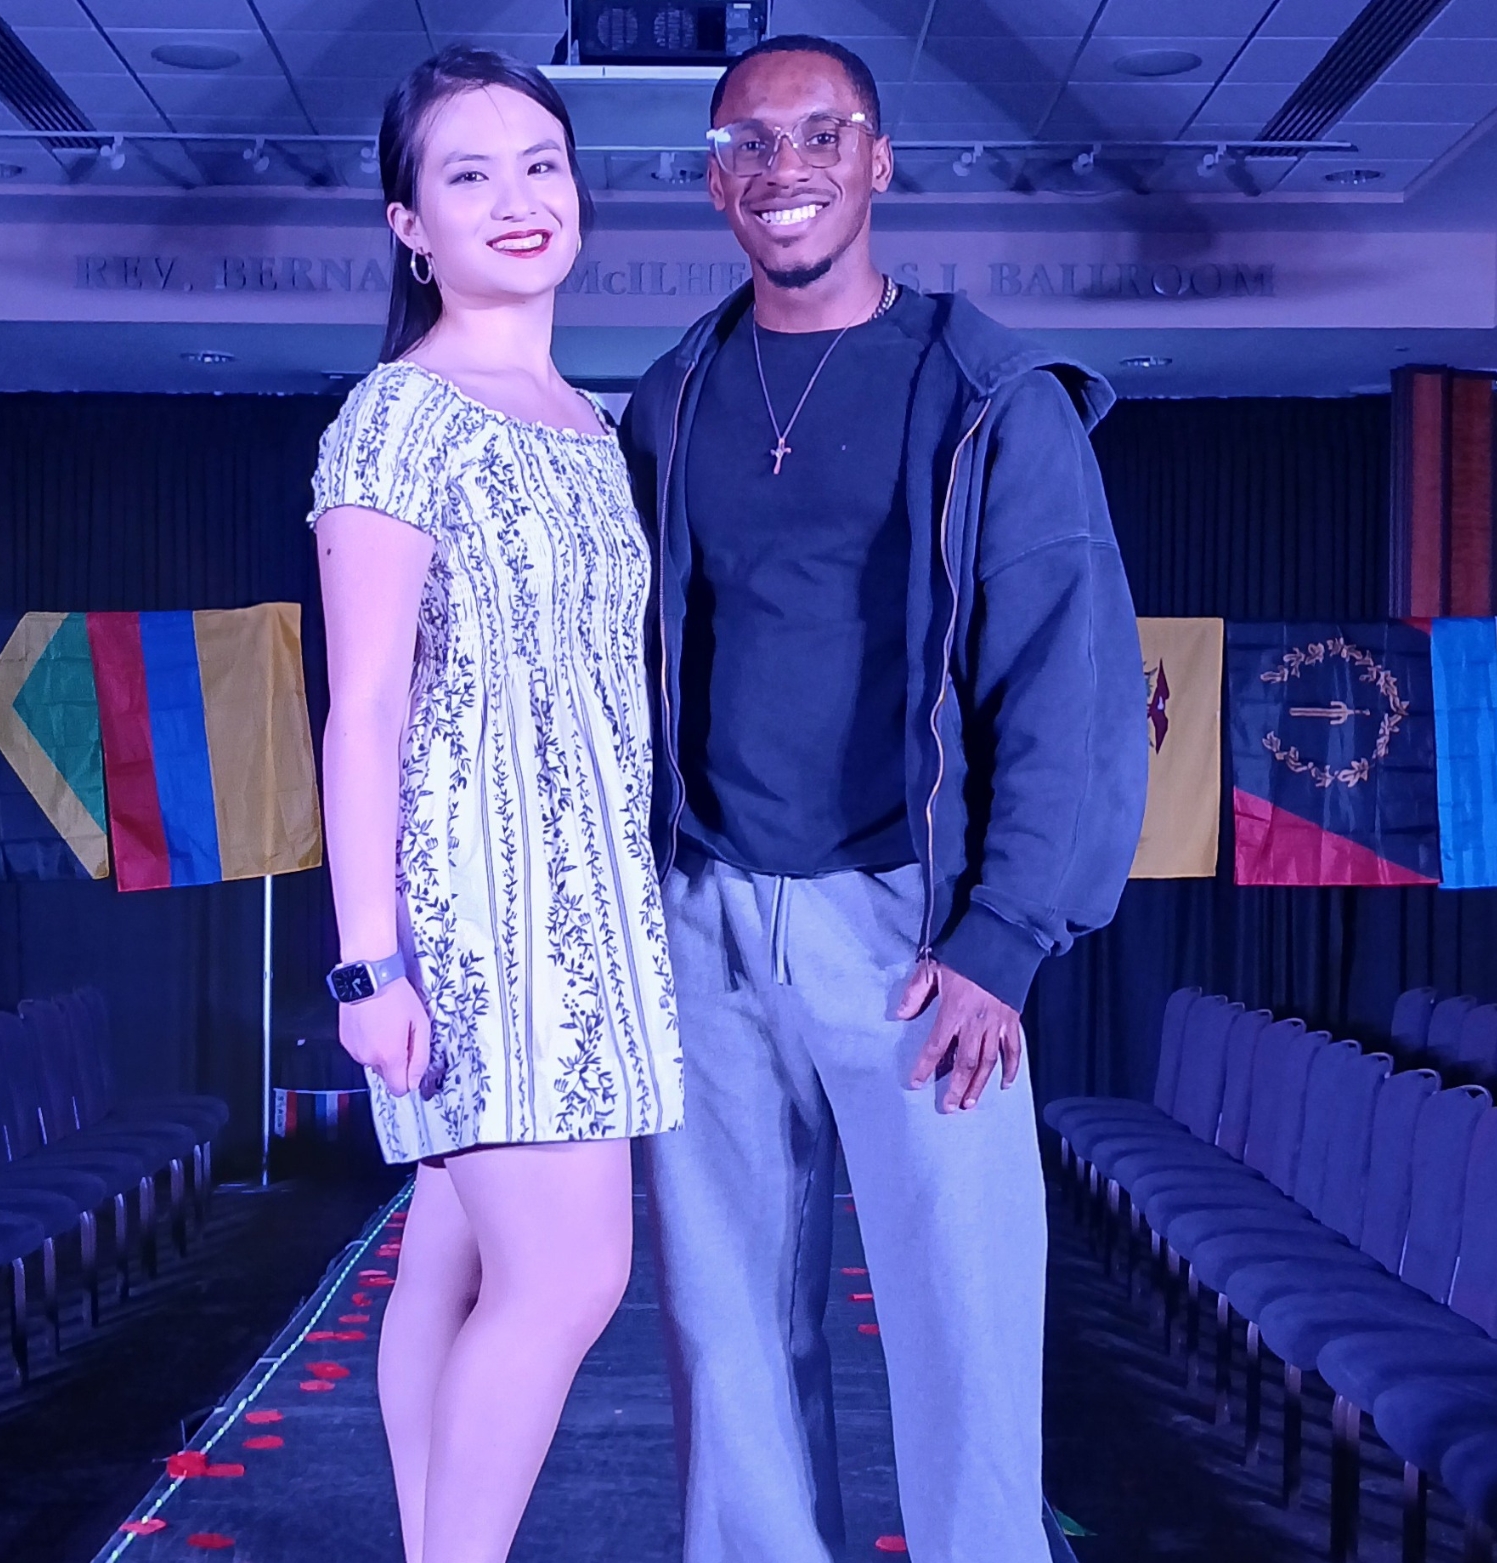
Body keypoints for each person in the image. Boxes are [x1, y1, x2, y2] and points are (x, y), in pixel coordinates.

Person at [618, 34, 1148, 1563]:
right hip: (706, 919)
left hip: (915, 937)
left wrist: (1006, 939)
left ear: (879, 160)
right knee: (726, 1344)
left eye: (817, 136)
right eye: (746, 147)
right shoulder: (673, 399)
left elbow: (1071, 679)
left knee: (965, 1339)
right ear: (718, 180)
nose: (782, 172)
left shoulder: (990, 395)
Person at [309, 46, 683, 1563]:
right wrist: (368, 961)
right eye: (469, 175)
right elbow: (367, 708)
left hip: (593, 892)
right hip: (482, 911)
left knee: (454, 1262)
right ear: (410, 224)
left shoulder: (589, 422)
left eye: (541, 163)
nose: (518, 200)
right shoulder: (401, 416)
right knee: (570, 1278)